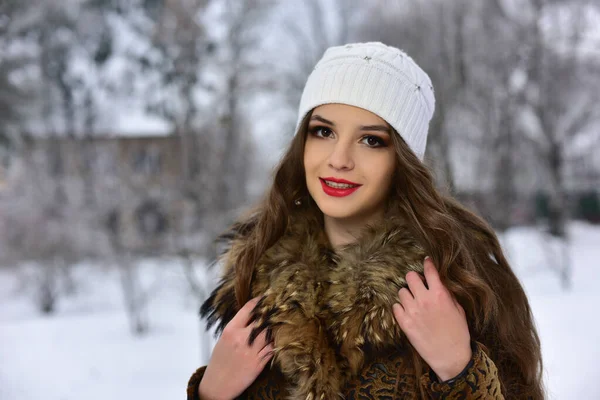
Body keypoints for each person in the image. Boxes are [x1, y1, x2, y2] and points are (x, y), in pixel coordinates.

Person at [186, 42, 544, 399]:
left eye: (371, 140)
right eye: (323, 132)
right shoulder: (255, 277)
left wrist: (459, 369)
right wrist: (211, 393)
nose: (339, 159)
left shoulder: (461, 281)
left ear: (402, 160)